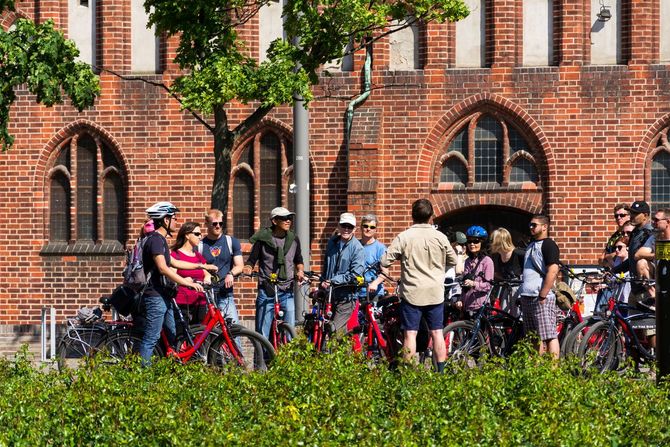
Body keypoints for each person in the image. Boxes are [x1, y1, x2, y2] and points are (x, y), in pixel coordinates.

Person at [381, 199, 457, 372]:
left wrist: (403, 257)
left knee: (410, 334)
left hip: (412, 293)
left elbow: (385, 260)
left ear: (412, 215)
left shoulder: (405, 237)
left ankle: (407, 375)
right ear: (431, 216)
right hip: (434, 293)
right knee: (437, 333)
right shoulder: (440, 237)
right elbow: (453, 260)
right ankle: (441, 372)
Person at [139, 202, 204, 364]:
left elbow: (174, 263)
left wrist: (202, 266)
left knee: (173, 334)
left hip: (164, 296)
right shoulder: (155, 240)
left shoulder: (160, 240)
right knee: (151, 338)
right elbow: (163, 268)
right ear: (165, 220)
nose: (176, 222)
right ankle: (141, 380)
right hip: (155, 296)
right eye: (174, 218)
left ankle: (170, 371)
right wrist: (186, 283)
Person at [244, 207, 305, 338]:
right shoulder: (263, 238)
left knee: (290, 331)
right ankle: (262, 358)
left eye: (290, 218)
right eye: (284, 218)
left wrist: (300, 271)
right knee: (263, 332)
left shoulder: (294, 239)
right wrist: (248, 268)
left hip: (287, 289)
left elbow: (298, 259)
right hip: (267, 289)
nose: (288, 221)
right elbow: (252, 259)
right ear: (274, 221)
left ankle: (288, 356)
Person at [518, 214, 561, 358]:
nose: (531, 227)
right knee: (533, 336)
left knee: (549, 335)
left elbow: (553, 270)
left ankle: (553, 371)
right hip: (527, 296)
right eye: (530, 225)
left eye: (534, 225)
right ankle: (536, 369)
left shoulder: (549, 244)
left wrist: (543, 293)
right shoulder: (531, 245)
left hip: (541, 297)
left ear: (544, 227)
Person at [321, 212, 366, 333]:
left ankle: (343, 348)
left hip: (346, 298)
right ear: (339, 226)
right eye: (344, 225)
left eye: (350, 226)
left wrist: (333, 281)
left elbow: (356, 275)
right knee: (322, 329)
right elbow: (326, 267)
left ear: (354, 229)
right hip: (329, 295)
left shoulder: (357, 248)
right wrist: (322, 282)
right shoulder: (332, 242)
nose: (346, 229)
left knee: (335, 332)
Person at [199, 209, 244, 324]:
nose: (218, 226)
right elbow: (198, 266)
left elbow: (239, 265)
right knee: (207, 332)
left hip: (225, 294)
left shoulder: (231, 241)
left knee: (233, 331)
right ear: (206, 224)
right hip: (207, 295)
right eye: (214, 223)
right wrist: (206, 275)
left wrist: (231, 274)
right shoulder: (200, 245)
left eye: (220, 223)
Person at [170, 222, 211, 324]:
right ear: (187, 235)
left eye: (200, 234)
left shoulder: (197, 255)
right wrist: (184, 281)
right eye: (197, 234)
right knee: (182, 336)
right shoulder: (176, 255)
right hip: (183, 301)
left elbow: (206, 272)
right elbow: (171, 276)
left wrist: (207, 278)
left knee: (199, 335)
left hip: (200, 301)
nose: (200, 237)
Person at [456, 226, 494, 312]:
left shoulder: (487, 261)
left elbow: (489, 286)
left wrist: (474, 283)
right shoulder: (467, 261)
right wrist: (460, 299)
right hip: (467, 305)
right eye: (469, 241)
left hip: (480, 307)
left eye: (476, 241)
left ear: (482, 243)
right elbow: (465, 284)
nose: (472, 244)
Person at [489, 227, 525, 314]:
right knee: (505, 315)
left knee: (518, 316)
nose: (491, 243)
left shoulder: (519, 254)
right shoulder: (498, 256)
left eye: (493, 240)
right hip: (507, 289)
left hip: (519, 290)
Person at [627, 201, 655, 310]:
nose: (632, 216)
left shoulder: (649, 233)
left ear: (645, 216)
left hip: (646, 292)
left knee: (647, 325)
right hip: (634, 289)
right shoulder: (636, 233)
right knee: (629, 325)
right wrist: (614, 270)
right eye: (631, 213)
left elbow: (640, 257)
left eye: (635, 213)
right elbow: (630, 260)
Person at [359, 214, 389, 299]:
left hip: (374, 293)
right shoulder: (355, 246)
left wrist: (375, 283)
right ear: (361, 227)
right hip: (356, 293)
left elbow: (385, 272)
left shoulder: (380, 248)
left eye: (372, 227)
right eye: (365, 226)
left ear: (375, 230)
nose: (368, 229)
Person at [598, 204, 630, 268]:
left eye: (622, 215)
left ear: (629, 216)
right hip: (612, 270)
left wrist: (607, 257)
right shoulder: (614, 236)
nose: (618, 218)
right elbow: (601, 259)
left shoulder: (630, 233)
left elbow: (623, 254)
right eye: (616, 216)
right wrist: (608, 258)